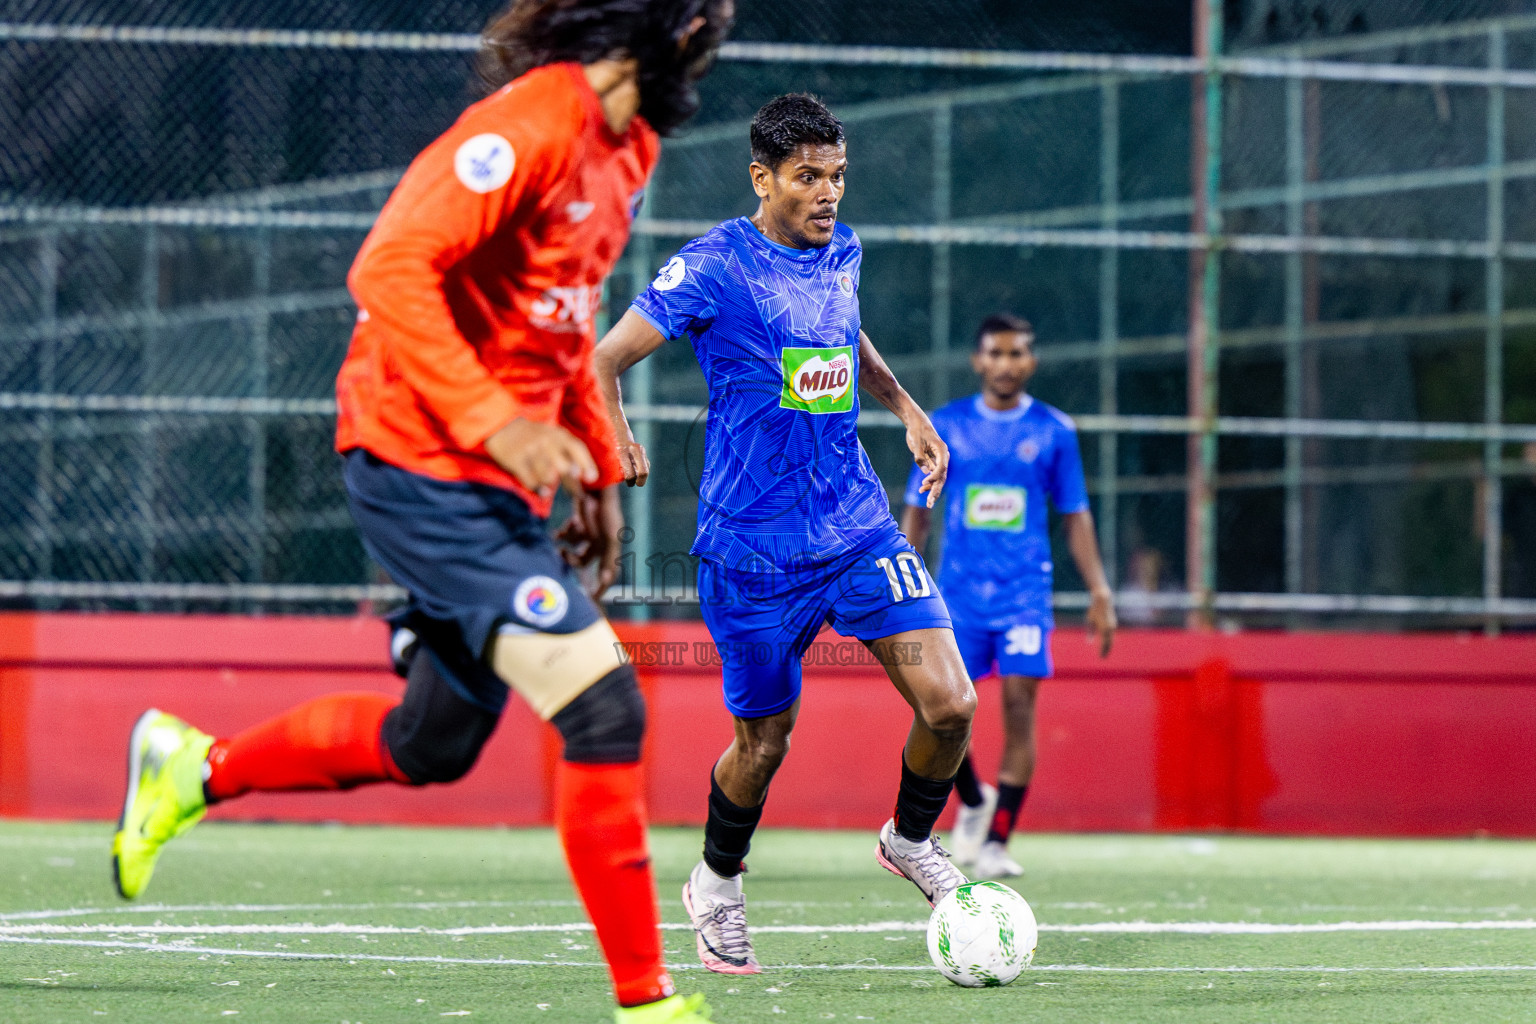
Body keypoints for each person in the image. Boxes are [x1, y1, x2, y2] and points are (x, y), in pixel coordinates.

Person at [110, 3, 734, 1022]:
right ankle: (649, 1005)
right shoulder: (527, 125)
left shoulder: (632, 147)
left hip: (495, 481)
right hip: (413, 457)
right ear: (659, 26)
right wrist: (498, 424)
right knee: (604, 703)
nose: (714, 41)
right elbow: (390, 266)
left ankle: (193, 767)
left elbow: (565, 308)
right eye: (706, 22)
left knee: (429, 743)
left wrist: (589, 468)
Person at [593, 93, 976, 977]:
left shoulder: (841, 247)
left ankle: (909, 839)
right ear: (762, 178)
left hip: (856, 528)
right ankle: (716, 885)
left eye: (838, 175)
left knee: (951, 703)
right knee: (765, 743)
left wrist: (906, 407)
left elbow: (845, 330)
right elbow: (606, 357)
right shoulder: (713, 266)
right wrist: (614, 431)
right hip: (752, 550)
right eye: (808, 177)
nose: (828, 193)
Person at [900, 314, 1116, 878]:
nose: (1005, 364)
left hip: (1024, 594)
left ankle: (997, 840)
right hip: (958, 596)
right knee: (945, 708)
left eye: (1016, 354)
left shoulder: (1053, 431)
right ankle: (973, 800)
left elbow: (1076, 516)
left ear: (1031, 362)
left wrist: (1099, 589)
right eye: (994, 354)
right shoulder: (943, 426)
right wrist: (900, 576)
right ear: (977, 361)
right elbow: (917, 513)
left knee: (1020, 708)